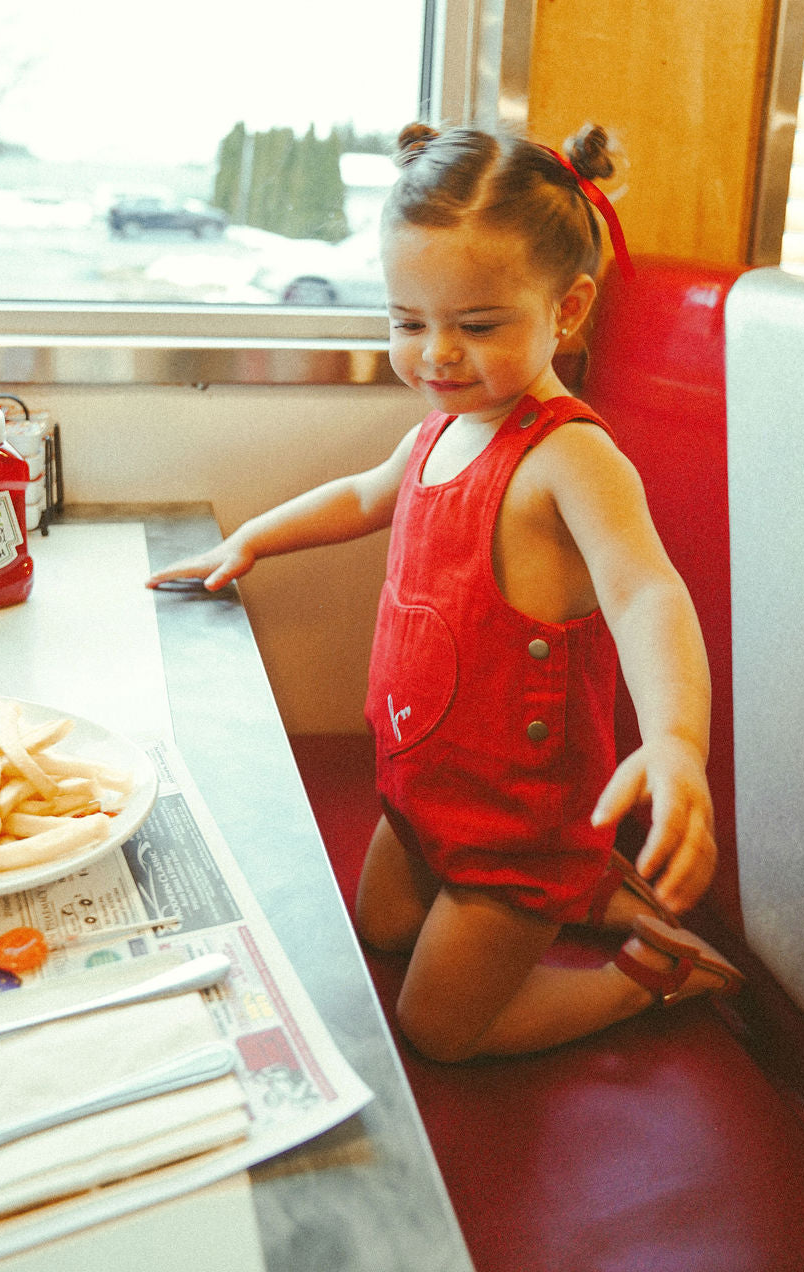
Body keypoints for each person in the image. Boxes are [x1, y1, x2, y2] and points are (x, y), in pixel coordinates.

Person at [147, 122, 742, 1062]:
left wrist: (676, 743)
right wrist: (251, 539)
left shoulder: (570, 457)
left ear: (567, 310)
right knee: (382, 925)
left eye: (477, 326)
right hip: (423, 793)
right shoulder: (440, 427)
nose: (437, 355)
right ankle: (597, 891)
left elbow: (646, 596)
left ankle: (647, 974)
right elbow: (362, 497)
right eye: (408, 323)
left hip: (516, 821)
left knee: (439, 1031)